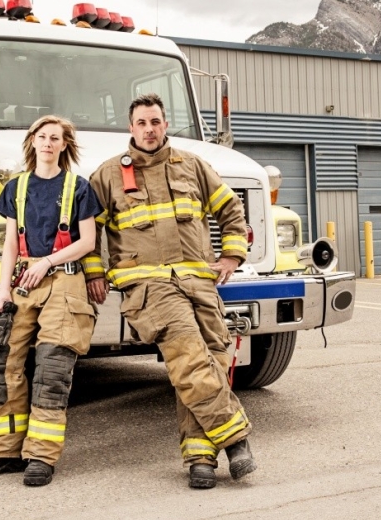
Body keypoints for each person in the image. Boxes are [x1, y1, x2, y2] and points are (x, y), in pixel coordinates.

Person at [84, 93, 256, 489]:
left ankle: (200, 458)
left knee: (210, 359)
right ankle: (236, 440)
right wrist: (94, 273)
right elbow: (88, 233)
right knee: (191, 358)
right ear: (131, 128)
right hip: (149, 287)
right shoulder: (108, 175)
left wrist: (231, 256)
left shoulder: (193, 166)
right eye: (141, 122)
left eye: (156, 122)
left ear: (165, 125)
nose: (149, 129)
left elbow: (231, 210)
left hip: (199, 283)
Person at [0, 115, 103, 486]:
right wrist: (3, 292)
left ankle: (41, 456)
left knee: (52, 369)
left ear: (64, 145)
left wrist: (47, 262)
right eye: (42, 136)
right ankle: (5, 452)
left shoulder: (79, 187)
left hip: (64, 280)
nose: (47, 143)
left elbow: (88, 241)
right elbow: (10, 244)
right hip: (22, 280)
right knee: (0, 361)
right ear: (32, 142)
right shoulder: (16, 187)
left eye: (55, 138)